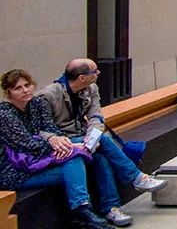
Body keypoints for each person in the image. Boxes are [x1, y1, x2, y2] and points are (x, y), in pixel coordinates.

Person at [36, 60, 168, 226]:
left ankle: (111, 208)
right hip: (61, 142)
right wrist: (59, 139)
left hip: (83, 137)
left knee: (101, 158)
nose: (99, 73)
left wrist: (93, 136)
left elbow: (96, 116)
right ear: (82, 78)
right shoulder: (48, 96)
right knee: (104, 139)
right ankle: (136, 177)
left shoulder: (91, 88)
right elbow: (39, 130)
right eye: (95, 71)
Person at [1, 69, 114, 229]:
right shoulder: (4, 114)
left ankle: (86, 210)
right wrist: (68, 146)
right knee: (73, 158)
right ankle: (83, 211)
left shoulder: (36, 104)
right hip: (16, 172)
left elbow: (51, 128)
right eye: (18, 88)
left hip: (39, 161)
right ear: (9, 92)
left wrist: (59, 141)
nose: (25, 90)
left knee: (85, 158)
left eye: (27, 85)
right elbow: (27, 145)